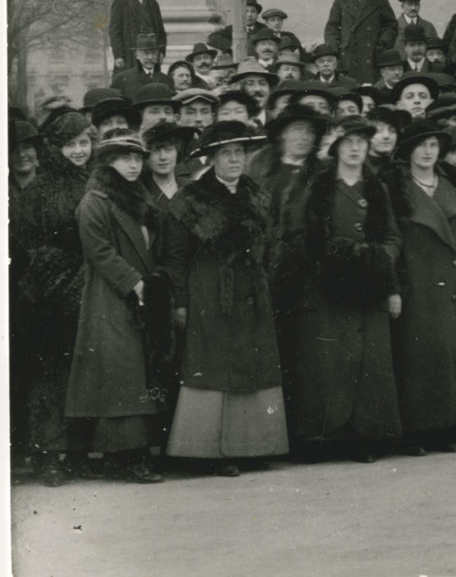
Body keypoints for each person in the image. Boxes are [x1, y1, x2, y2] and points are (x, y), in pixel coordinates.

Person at [163, 120, 289, 475]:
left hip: (252, 294)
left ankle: (252, 446)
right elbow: (175, 258)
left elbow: (272, 246)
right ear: (212, 158)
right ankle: (212, 452)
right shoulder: (190, 200)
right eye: (226, 153)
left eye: (239, 152)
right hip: (209, 295)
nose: (234, 159)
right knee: (213, 368)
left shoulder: (257, 195)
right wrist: (181, 301)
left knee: (254, 366)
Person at [280, 121, 402, 460]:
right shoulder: (318, 187)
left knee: (368, 362)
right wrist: (333, 256)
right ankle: (327, 436)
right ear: (335, 148)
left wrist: (376, 257)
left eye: (361, 142)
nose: (355, 148)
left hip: (370, 285)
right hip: (327, 286)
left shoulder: (376, 188)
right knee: (331, 361)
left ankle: (367, 435)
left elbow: (392, 237)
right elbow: (298, 233)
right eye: (348, 142)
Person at [66, 130, 164, 482]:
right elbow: (99, 251)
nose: (134, 165)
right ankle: (128, 456)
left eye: (137, 158)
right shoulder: (95, 201)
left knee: (132, 373)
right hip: (110, 297)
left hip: (138, 295)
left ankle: (130, 452)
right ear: (108, 162)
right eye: (125, 158)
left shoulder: (137, 198)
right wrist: (134, 282)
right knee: (122, 374)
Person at [389, 119, 456, 451]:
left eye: (434, 146)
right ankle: (419, 431)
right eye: (421, 146)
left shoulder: (454, 182)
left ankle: (452, 425)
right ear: (408, 151)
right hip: (418, 283)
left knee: (455, 356)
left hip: (455, 281)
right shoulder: (396, 188)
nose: (428, 152)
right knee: (420, 357)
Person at [13, 107, 96, 484]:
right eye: (70, 144)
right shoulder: (39, 190)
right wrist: (60, 278)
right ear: (55, 148)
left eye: (84, 142)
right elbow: (26, 243)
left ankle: (78, 452)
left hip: (90, 289)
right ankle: (47, 455)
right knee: (51, 376)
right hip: (48, 295)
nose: (79, 150)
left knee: (84, 371)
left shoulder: (95, 181)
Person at [321, 0, 399, 89]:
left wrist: (382, 43)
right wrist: (336, 52)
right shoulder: (341, 0)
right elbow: (331, 28)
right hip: (348, 57)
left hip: (373, 56)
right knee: (350, 90)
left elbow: (391, 25)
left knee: (372, 91)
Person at [108, 0, 166, 79]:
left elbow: (161, 31)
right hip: (129, 55)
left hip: (150, 54)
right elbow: (114, 31)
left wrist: (162, 52)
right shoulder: (122, 2)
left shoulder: (153, 4)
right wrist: (118, 55)